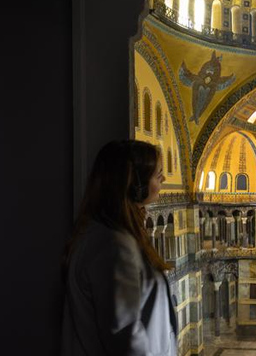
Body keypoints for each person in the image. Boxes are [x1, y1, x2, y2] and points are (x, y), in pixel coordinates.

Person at [61, 140, 178, 355]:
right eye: (157, 173)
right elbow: (126, 338)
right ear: (135, 183)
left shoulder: (106, 237)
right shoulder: (113, 248)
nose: (163, 178)